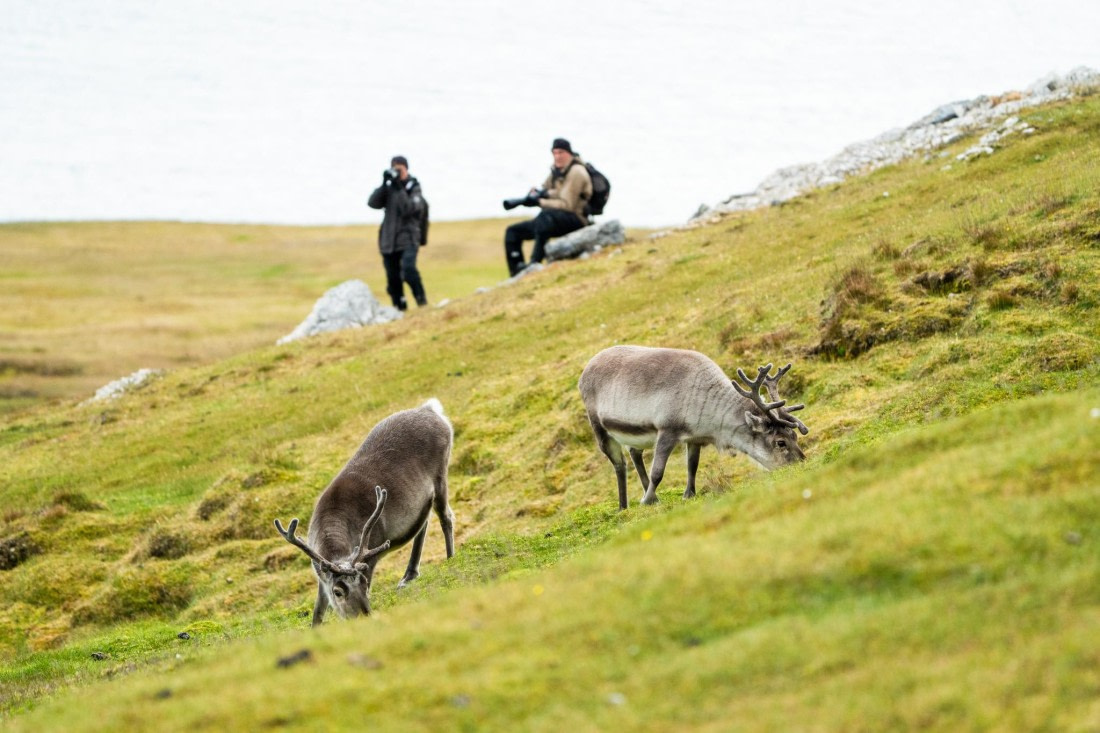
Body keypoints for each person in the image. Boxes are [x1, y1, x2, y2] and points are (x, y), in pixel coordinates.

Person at [503, 138, 592, 276]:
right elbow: (545, 189)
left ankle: (534, 264)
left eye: (561, 153)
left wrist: (540, 202)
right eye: (554, 153)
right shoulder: (557, 171)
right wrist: (534, 195)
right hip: (552, 220)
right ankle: (516, 273)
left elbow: (567, 205)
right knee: (513, 232)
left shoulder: (576, 172)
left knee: (544, 219)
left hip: (576, 219)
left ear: (569, 153)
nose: (557, 156)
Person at [367, 155, 428, 309]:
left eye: (400, 169)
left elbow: (408, 209)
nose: (397, 172)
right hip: (389, 240)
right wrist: (384, 183)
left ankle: (422, 301)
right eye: (394, 169)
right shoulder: (389, 188)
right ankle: (399, 307)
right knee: (393, 278)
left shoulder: (414, 188)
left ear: (406, 169)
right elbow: (373, 203)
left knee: (408, 270)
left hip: (408, 238)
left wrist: (399, 187)